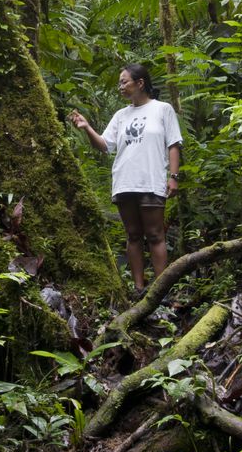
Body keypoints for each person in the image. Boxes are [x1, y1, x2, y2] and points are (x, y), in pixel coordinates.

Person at [69, 64, 183, 293]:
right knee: (133, 235)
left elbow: (173, 144)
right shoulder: (120, 115)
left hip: (151, 180)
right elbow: (104, 145)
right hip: (124, 181)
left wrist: (173, 177)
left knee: (155, 234)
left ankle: (161, 291)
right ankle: (139, 289)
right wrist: (87, 127)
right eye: (120, 83)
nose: (120, 86)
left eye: (124, 81)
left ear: (140, 83)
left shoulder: (162, 109)